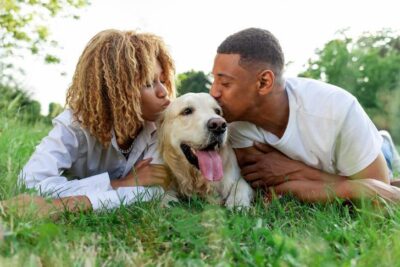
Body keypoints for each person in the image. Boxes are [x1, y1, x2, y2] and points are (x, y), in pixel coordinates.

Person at [210, 27, 400, 203]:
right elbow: (267, 188)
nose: (214, 93)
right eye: (214, 81)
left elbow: (380, 192)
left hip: (365, 159)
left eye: (225, 84)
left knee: (383, 167)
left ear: (264, 82)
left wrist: (297, 171)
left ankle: (384, 144)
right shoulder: (232, 125)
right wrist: (353, 187)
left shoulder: (336, 109)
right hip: (343, 170)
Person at [1, 29, 174, 218]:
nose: (164, 92)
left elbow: (151, 193)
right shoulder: (75, 125)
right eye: (149, 83)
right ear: (116, 92)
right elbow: (30, 186)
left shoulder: (164, 128)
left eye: (163, 80)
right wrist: (120, 184)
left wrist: (60, 205)